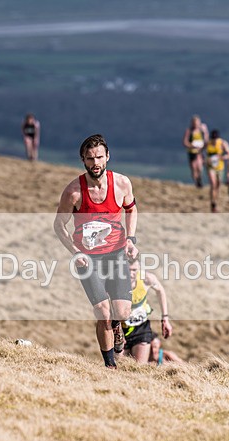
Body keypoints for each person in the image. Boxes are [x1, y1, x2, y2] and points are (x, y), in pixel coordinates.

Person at [54, 134, 139, 368]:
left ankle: (117, 327)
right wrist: (74, 252)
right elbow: (59, 225)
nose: (95, 163)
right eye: (90, 158)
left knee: (121, 313)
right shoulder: (73, 192)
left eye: (99, 157)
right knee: (103, 311)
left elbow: (131, 209)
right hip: (88, 258)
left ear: (108, 157)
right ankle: (109, 366)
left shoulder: (122, 183)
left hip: (117, 253)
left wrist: (131, 239)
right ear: (83, 160)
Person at [120, 256, 173, 364]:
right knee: (119, 368)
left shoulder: (146, 279)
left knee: (139, 368)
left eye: (134, 270)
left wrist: (165, 318)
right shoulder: (115, 282)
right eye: (127, 270)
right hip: (120, 329)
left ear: (139, 268)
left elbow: (160, 291)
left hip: (140, 328)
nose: (131, 274)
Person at [205, 129, 229, 213]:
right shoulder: (208, 143)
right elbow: (201, 151)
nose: (214, 141)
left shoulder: (222, 143)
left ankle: (215, 200)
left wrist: (223, 157)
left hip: (220, 166)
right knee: (213, 184)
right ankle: (213, 203)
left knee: (218, 185)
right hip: (210, 166)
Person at [182, 115, 209, 188]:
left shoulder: (202, 130)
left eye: (197, 123)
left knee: (200, 166)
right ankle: (196, 181)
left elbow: (206, 140)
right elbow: (185, 142)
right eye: (194, 123)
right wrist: (192, 146)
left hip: (200, 150)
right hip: (192, 151)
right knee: (194, 167)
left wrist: (205, 132)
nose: (196, 124)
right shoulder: (189, 131)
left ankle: (199, 179)